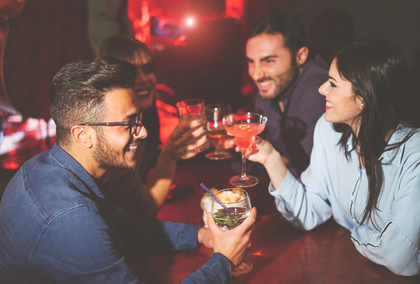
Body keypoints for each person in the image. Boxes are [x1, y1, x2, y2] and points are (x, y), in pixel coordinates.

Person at [0, 57, 257, 283]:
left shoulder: (45, 167)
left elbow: (122, 226)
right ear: (83, 134)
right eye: (128, 123)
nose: (142, 132)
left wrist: (201, 236)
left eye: (140, 119)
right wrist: (224, 260)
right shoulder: (70, 217)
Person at [246, 39, 420, 275]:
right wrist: (271, 159)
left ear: (363, 99)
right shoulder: (328, 131)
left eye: (333, 84)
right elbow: (307, 214)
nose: (321, 89)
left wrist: (353, 231)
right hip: (356, 271)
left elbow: (398, 256)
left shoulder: (414, 153)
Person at [95, 35, 200, 218]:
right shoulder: (111, 136)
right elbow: (141, 210)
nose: (144, 79)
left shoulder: (139, 120)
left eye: (147, 69)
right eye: (132, 73)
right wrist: (168, 157)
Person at [245, 9, 328, 177]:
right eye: (251, 62)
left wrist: (273, 159)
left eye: (268, 61)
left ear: (301, 56)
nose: (256, 74)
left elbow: (312, 176)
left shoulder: (317, 92)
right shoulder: (273, 85)